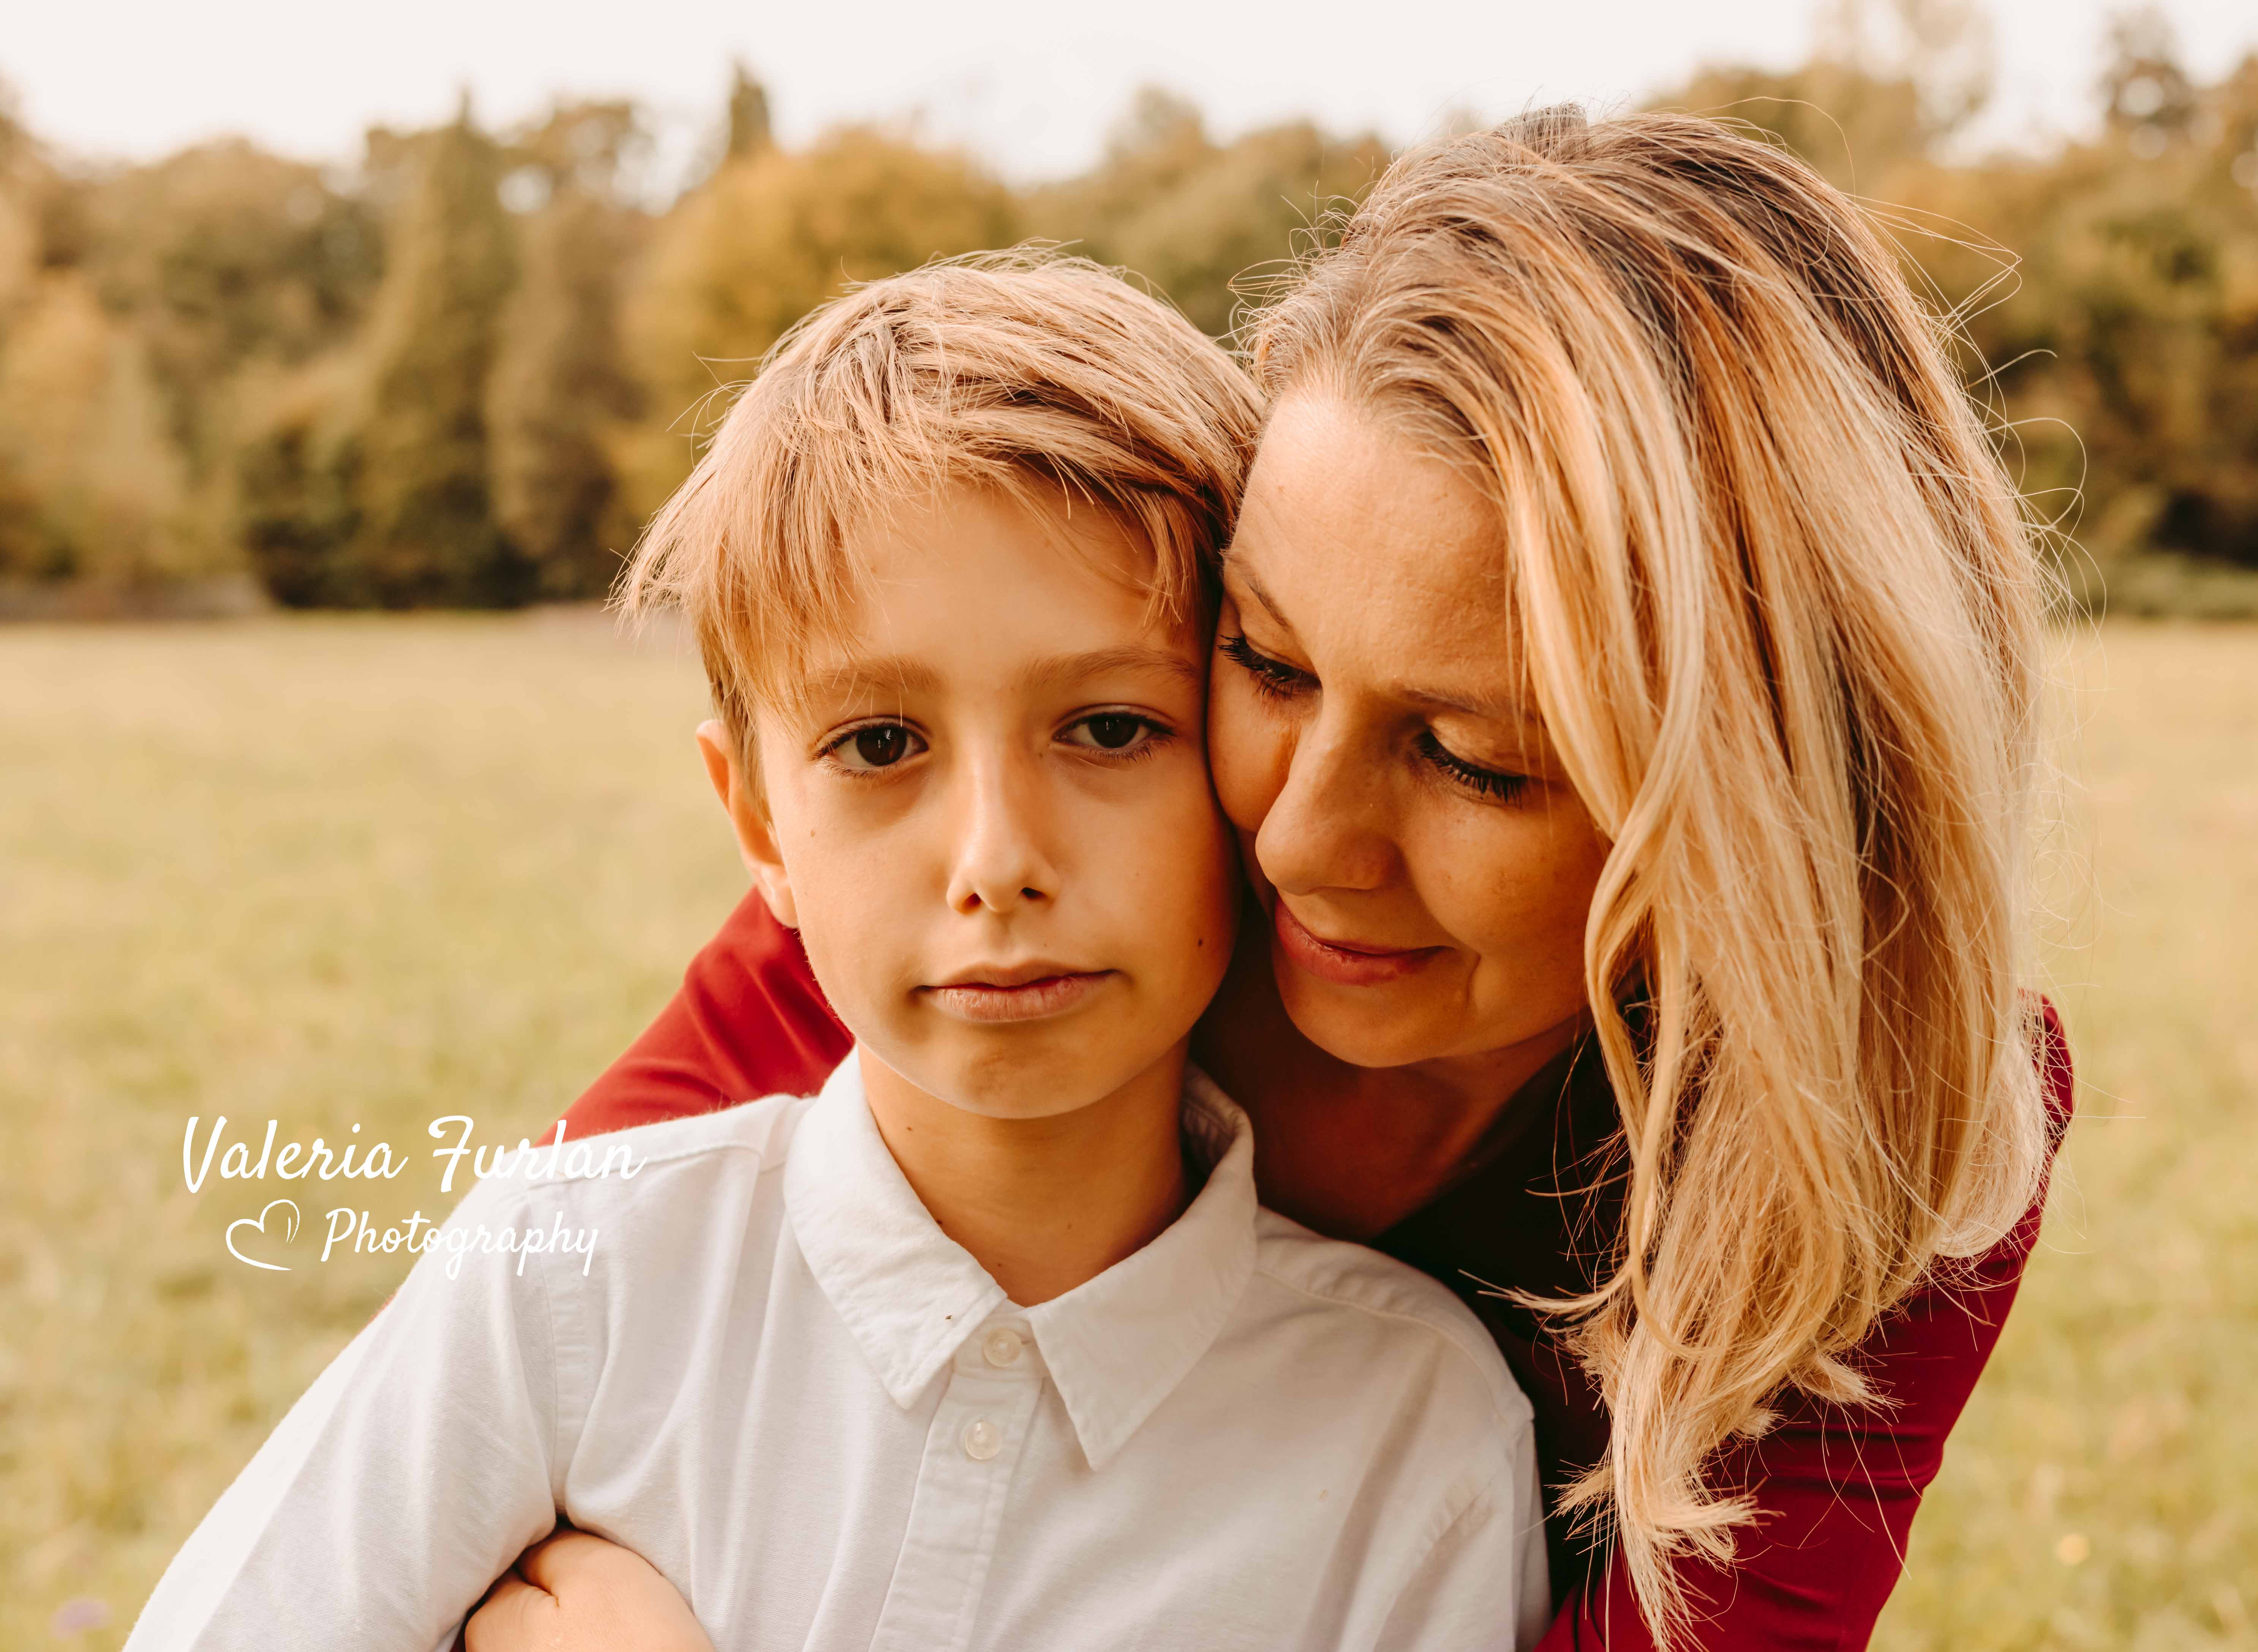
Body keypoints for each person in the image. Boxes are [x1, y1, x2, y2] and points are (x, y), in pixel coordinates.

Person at [484, 106, 2078, 1652]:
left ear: (1764, 814)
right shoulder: (1014, 896)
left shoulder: (1899, 1112)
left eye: (1472, 758)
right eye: (1265, 661)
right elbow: (535, 1357)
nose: (1295, 839)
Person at [123, 256, 1550, 1652]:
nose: (996, 860)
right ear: (757, 821)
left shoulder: (1410, 1437)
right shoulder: (566, 1289)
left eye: (1110, 728)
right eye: (879, 745)